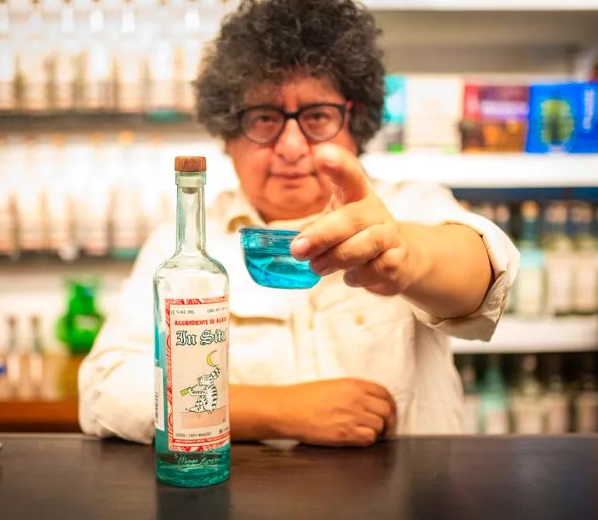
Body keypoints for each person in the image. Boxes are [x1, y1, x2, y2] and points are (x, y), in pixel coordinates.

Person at [79, 0, 519, 446]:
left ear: (356, 124)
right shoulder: (187, 244)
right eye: (265, 118)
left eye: (317, 117)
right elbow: (105, 389)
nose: (291, 146)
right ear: (228, 134)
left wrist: (404, 257)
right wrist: (279, 411)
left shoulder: (410, 204)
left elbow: (481, 275)